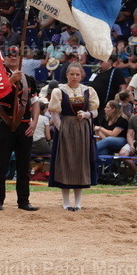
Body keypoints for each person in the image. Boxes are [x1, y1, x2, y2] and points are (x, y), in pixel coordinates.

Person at [47, 62, 99, 211]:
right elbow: (54, 112)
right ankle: (65, 202)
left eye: (77, 74)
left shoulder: (88, 90)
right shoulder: (59, 91)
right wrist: (61, 129)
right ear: (67, 75)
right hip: (66, 127)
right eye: (72, 74)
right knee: (66, 162)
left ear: (81, 75)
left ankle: (77, 203)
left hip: (83, 129)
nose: (75, 77)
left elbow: (95, 111)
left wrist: (86, 114)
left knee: (80, 162)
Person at [0, 54, 39, 211]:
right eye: (10, 55)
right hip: (5, 123)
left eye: (16, 55)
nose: (13, 58)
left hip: (25, 125)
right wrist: (11, 80)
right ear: (4, 59)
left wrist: (35, 121)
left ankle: (24, 201)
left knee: (24, 165)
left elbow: (35, 102)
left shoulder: (30, 79)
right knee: (1, 164)